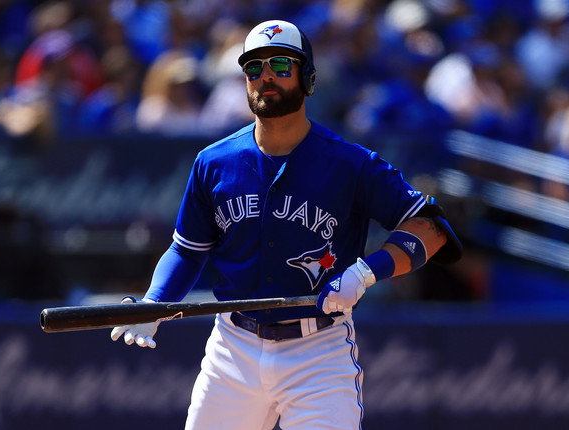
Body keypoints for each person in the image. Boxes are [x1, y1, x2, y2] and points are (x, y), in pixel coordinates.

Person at [111, 19, 462, 429]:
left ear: (307, 77)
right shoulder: (214, 161)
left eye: (280, 64)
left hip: (318, 350)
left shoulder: (351, 163)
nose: (265, 76)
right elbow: (187, 251)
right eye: (254, 68)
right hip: (233, 347)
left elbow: (431, 230)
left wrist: (366, 272)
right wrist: (156, 302)